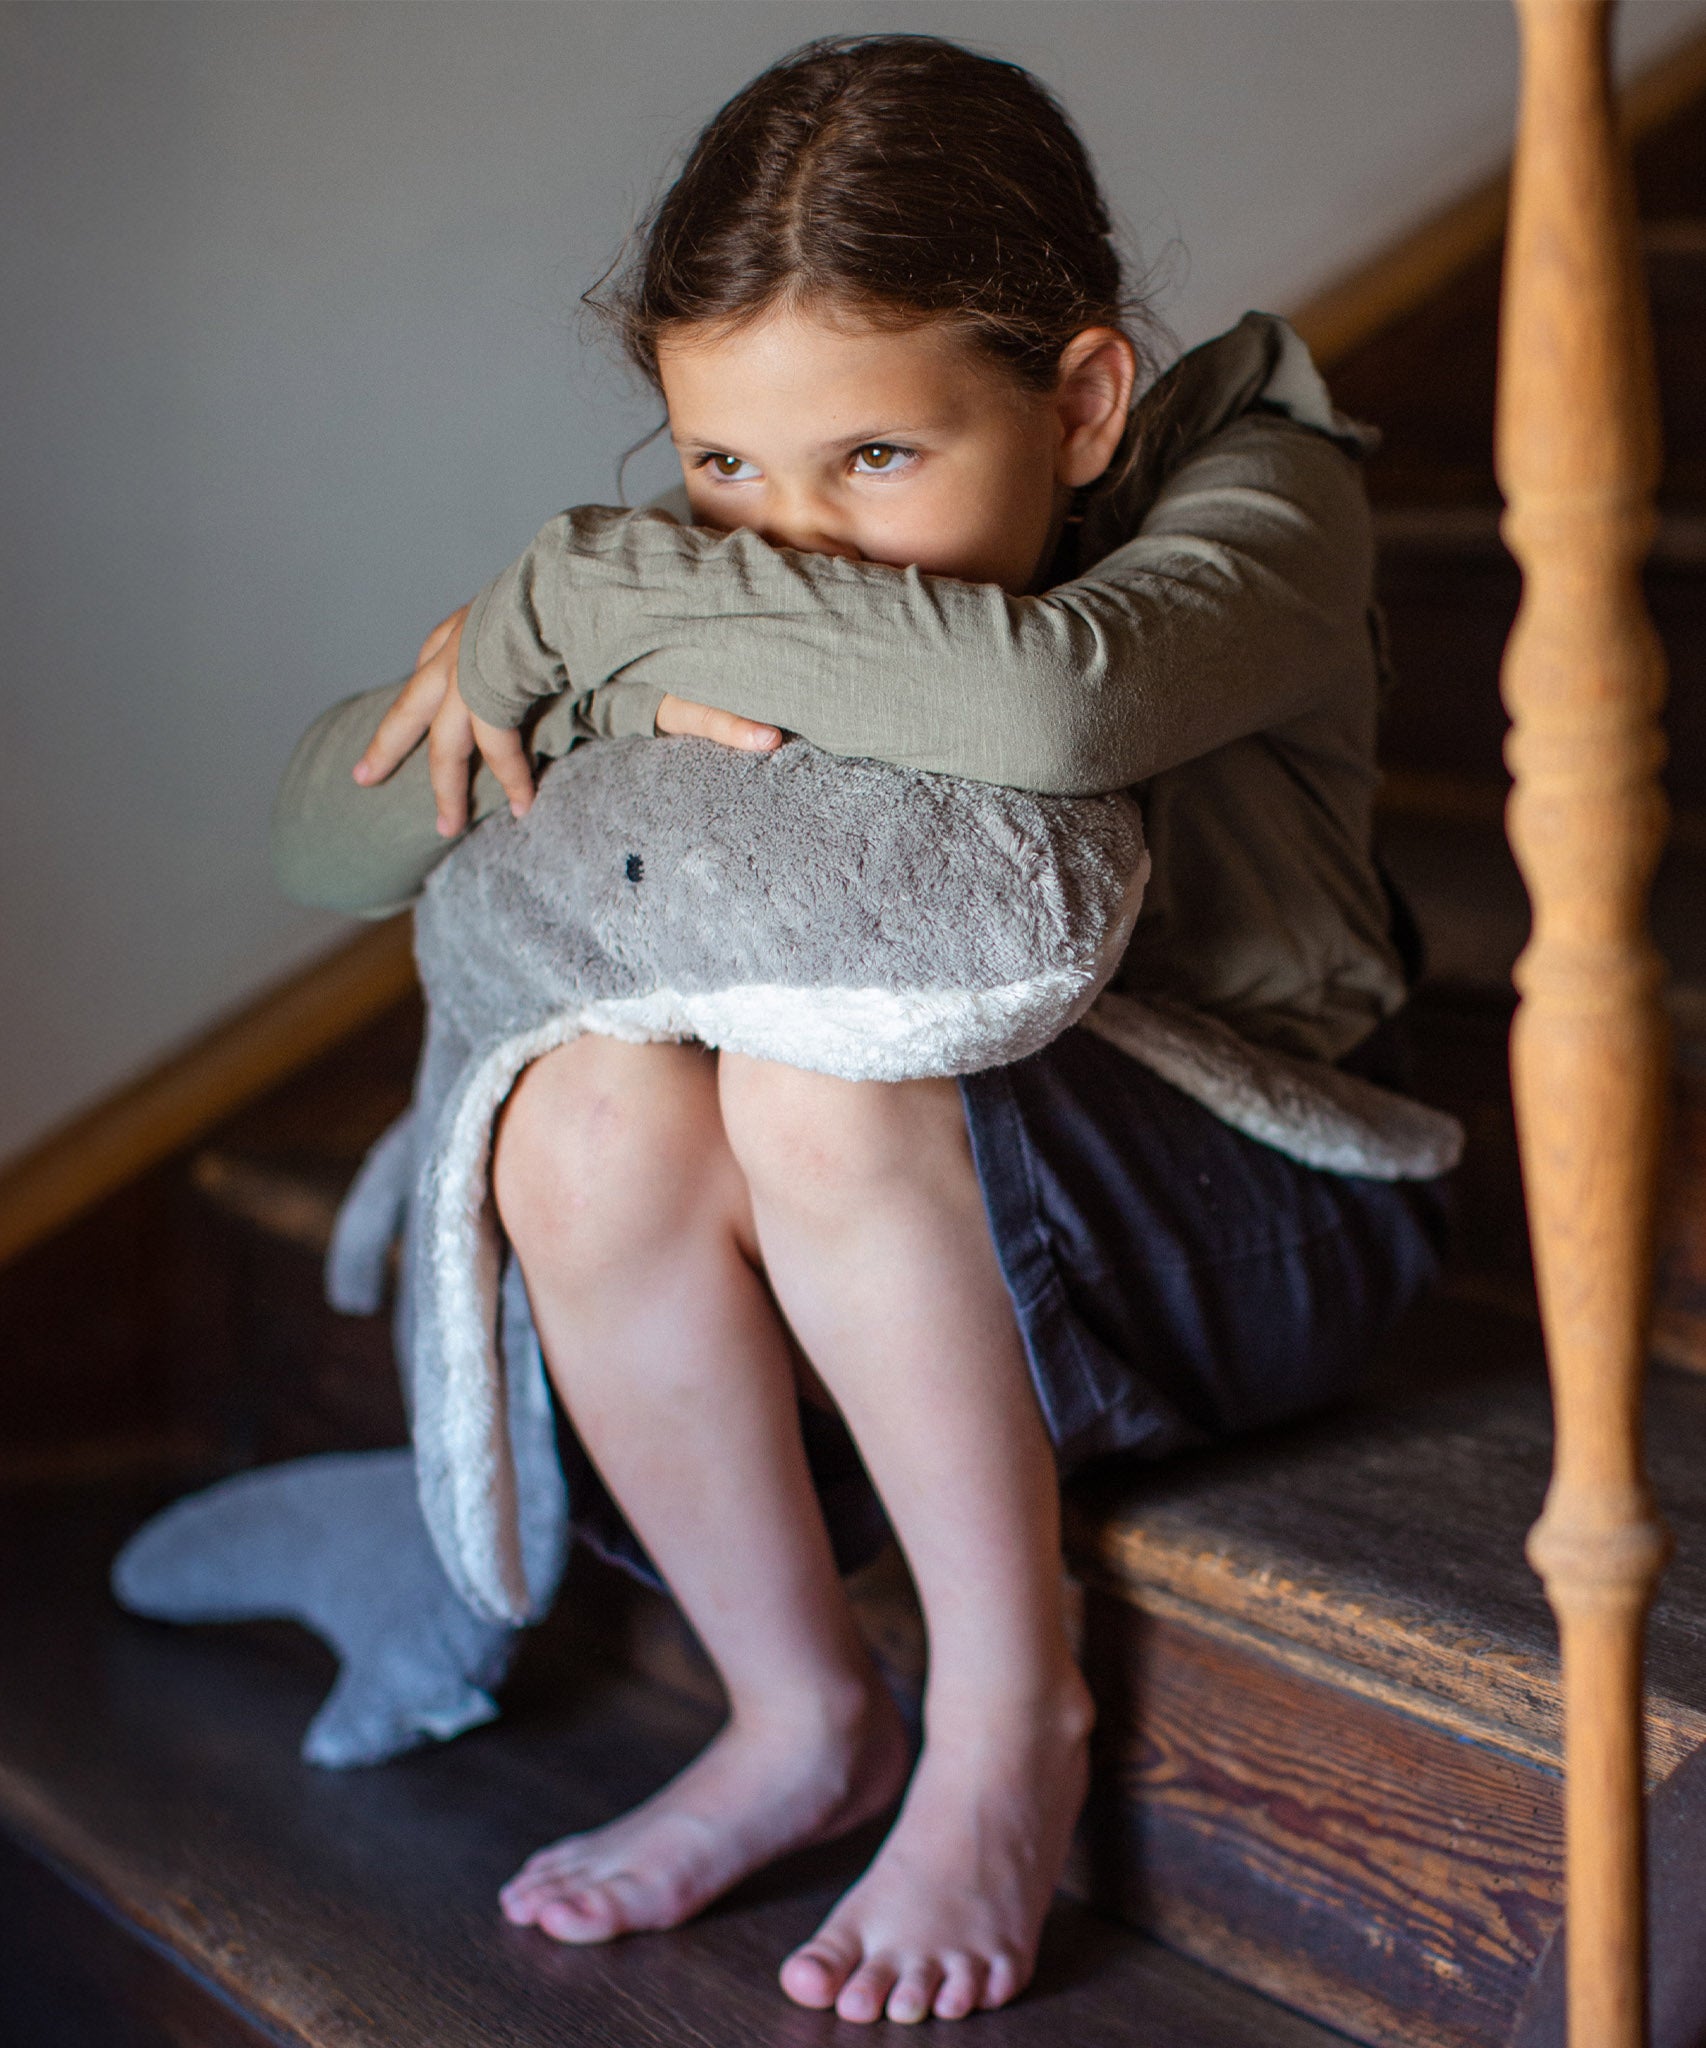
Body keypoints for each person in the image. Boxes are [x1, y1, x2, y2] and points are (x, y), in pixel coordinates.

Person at [271, 33, 1448, 2025]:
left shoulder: (1261, 495)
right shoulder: (697, 587)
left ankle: (1007, 1718)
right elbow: (323, 838)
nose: (787, 541)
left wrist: (570, 595)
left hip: (1263, 1215)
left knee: (822, 1063)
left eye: (874, 458)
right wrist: (574, 651)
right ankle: (800, 1709)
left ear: (1077, 401)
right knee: (576, 1104)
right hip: (920, 1268)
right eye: (722, 463)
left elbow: (1053, 706)